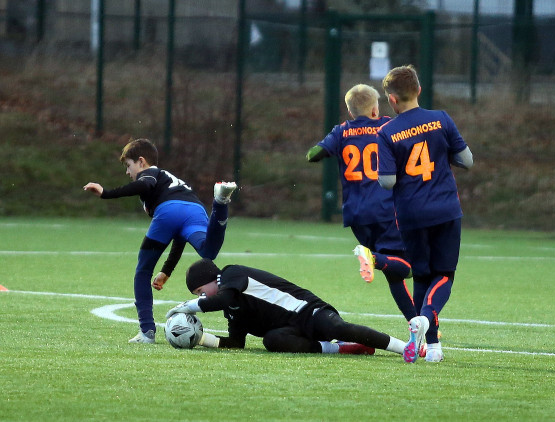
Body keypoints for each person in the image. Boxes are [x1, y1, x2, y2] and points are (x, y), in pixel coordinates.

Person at [83, 138, 237, 344]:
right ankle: (220, 203)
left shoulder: (150, 173)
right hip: (195, 210)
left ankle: (147, 332)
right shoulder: (172, 180)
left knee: (143, 271)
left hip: (169, 210)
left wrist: (106, 193)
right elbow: (179, 235)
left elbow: (144, 185)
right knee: (208, 251)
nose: (127, 172)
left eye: (128, 165)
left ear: (141, 161)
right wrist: (166, 271)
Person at [376, 65, 474, 363]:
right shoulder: (441, 118)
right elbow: (467, 160)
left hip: (411, 215)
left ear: (392, 99)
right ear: (418, 90)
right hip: (445, 209)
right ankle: (427, 318)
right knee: (444, 274)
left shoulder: (386, 132)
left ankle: (432, 348)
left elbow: (387, 182)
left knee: (421, 276)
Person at [306, 84, 417, 324]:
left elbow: (313, 154)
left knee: (393, 272)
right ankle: (373, 258)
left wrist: (330, 144)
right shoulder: (387, 125)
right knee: (408, 267)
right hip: (387, 210)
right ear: (376, 109)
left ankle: (415, 322)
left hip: (357, 215)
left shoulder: (341, 131)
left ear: (350, 112)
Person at [165, 258, 409, 356]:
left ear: (212, 279)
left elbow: (222, 299)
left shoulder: (231, 274)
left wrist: (188, 306)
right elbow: (236, 343)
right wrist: (200, 339)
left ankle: (404, 347)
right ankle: (342, 349)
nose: (201, 297)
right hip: (290, 330)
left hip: (308, 312)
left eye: (200, 291)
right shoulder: (231, 308)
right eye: (197, 295)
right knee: (272, 341)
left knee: (337, 328)